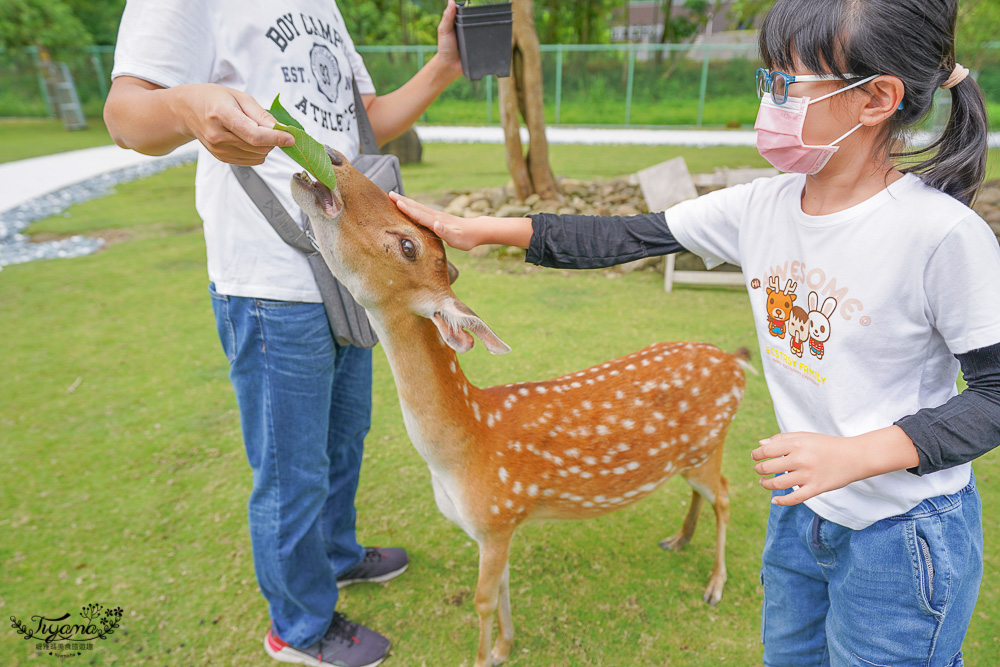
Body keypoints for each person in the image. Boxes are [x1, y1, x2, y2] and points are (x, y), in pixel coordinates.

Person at [391, 0, 1000, 664]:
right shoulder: (762, 205)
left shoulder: (940, 236)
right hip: (802, 514)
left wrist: (857, 455)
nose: (768, 98)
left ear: (875, 98)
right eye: (766, 78)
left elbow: (994, 395)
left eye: (784, 83)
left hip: (901, 535)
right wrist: (481, 229)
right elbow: (624, 235)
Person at [103, 2, 464, 666]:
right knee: (292, 466)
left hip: (352, 272)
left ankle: (335, 554)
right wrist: (188, 105)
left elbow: (360, 122)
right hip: (269, 279)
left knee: (344, 437)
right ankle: (297, 626)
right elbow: (125, 116)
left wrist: (445, 67)